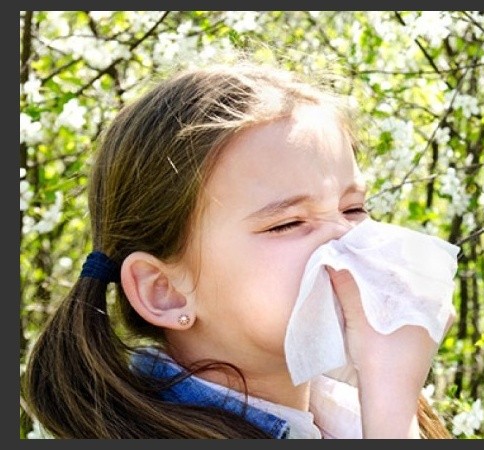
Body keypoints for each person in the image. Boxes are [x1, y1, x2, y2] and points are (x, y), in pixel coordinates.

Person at [22, 56, 455, 439]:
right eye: (288, 223)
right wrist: (391, 407)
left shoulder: (343, 412)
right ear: (164, 291)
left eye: (354, 208)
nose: (346, 241)